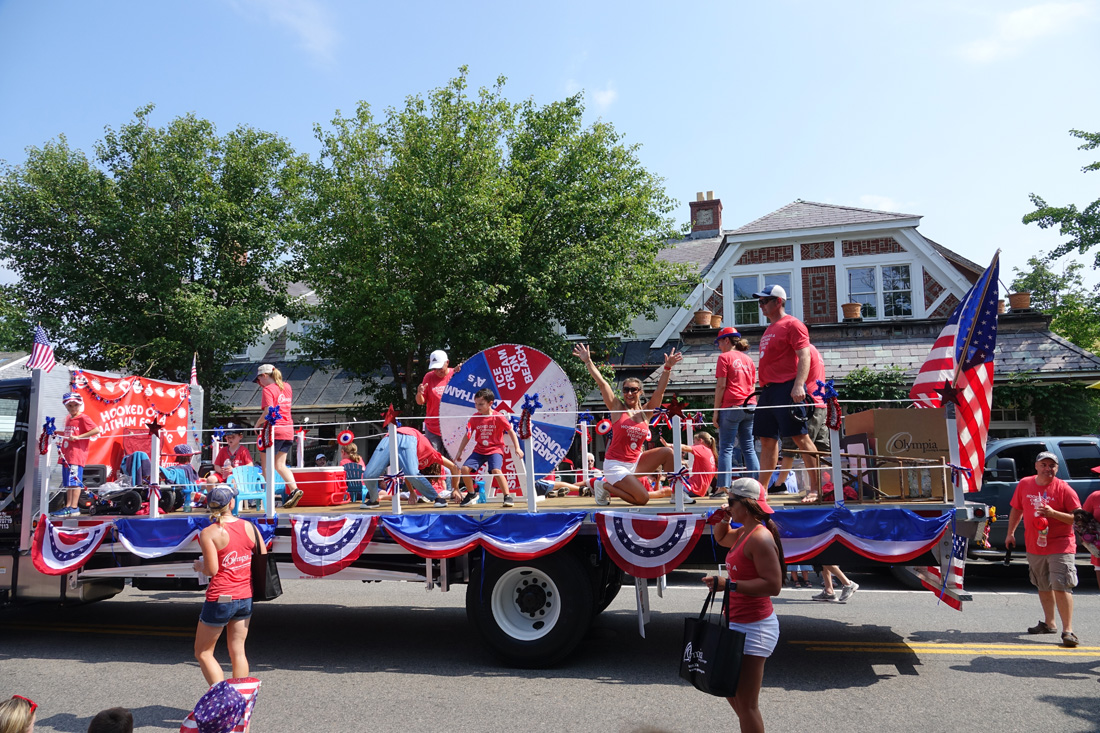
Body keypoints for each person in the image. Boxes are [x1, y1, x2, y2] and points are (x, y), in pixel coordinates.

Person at [703, 478, 783, 733]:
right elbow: (722, 538)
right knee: (730, 691)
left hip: (755, 627)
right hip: (737, 622)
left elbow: (773, 585)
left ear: (745, 506)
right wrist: (724, 517)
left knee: (747, 705)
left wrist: (730, 585)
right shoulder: (744, 531)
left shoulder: (759, 538)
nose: (728, 506)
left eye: (731, 503)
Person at [573, 343, 683, 506]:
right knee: (643, 499)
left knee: (668, 452)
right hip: (616, 466)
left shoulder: (646, 412)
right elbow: (603, 384)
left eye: (633, 390)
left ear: (640, 392)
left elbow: (659, 392)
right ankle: (603, 485)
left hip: (636, 463)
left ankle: (676, 493)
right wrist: (588, 362)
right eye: (625, 390)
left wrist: (667, 367)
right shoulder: (617, 408)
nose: (629, 393)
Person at [751, 285, 821, 503]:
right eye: (759, 302)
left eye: (764, 301)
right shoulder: (769, 328)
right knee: (767, 440)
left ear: (778, 302)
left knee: (801, 437)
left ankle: (815, 489)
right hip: (769, 390)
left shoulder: (793, 324)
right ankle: (762, 491)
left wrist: (799, 385)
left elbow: (805, 355)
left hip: (786, 388)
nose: (760, 305)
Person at [192, 486, 266, 686]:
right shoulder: (248, 526)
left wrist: (200, 566)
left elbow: (212, 570)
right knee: (238, 650)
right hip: (245, 595)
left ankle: (222, 702)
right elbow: (263, 553)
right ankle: (240, 703)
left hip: (221, 597)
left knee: (203, 652)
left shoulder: (209, 533)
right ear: (231, 503)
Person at [1006, 451, 1081, 647]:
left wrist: (1053, 513)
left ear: (1057, 468)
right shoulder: (1024, 484)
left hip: (1060, 543)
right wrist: (1010, 533)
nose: (1048, 469)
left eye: (1052, 466)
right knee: (1043, 585)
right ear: (1037, 466)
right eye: (1044, 465)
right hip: (1035, 544)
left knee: (1061, 585)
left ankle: (1068, 631)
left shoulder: (1064, 489)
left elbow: (1078, 518)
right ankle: (1049, 623)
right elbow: (1017, 509)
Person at [771, 344, 829, 495]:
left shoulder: (802, 351)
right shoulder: (815, 350)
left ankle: (783, 484)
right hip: (820, 402)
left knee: (795, 443)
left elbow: (792, 374)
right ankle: (826, 484)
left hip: (806, 404)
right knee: (818, 448)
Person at [455, 388, 524, 508]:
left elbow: (511, 431)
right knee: (465, 469)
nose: (478, 407)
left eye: (481, 404)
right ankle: (471, 494)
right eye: (476, 404)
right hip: (479, 450)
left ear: (490, 403)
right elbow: (468, 435)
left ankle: (507, 496)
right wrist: (460, 451)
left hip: (495, 449)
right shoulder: (475, 417)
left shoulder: (498, 416)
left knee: (496, 470)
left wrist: (517, 447)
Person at [362, 425, 459, 509]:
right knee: (368, 474)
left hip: (396, 436)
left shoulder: (416, 463)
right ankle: (374, 500)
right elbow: (454, 467)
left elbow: (407, 473)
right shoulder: (433, 455)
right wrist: (455, 489)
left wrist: (412, 492)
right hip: (403, 436)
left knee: (411, 473)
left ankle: (438, 498)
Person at [712, 327, 759, 494]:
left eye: (718, 342)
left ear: (726, 340)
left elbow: (721, 385)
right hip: (750, 405)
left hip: (731, 406)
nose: (718, 346)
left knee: (726, 447)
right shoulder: (749, 360)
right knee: (749, 447)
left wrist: (716, 411)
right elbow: (753, 385)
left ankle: (723, 486)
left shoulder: (724, 358)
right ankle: (755, 486)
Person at [252, 364, 303, 509]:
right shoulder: (287, 387)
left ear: (265, 376)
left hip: (274, 431)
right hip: (288, 430)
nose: (258, 384)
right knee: (280, 465)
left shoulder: (268, 389)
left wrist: (257, 424)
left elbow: (269, 411)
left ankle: (270, 496)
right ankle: (294, 489)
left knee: (266, 466)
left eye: (258, 380)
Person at [53, 392, 103, 517]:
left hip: (76, 455)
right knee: (68, 483)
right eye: (69, 406)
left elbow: (96, 430)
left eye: (75, 405)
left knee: (74, 481)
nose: (72, 408)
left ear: (79, 405)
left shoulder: (83, 418)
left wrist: (78, 437)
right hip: (67, 455)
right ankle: (68, 506)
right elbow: (68, 433)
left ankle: (74, 507)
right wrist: (57, 432)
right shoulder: (68, 419)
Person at [661, 432, 718, 503]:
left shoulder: (702, 448)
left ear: (700, 441)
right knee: (671, 488)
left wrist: (668, 445)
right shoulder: (711, 453)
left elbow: (685, 447)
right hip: (700, 489)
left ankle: (646, 495)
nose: (693, 445)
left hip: (695, 488)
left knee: (668, 490)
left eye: (694, 442)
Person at [416, 349, 454, 457]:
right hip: (433, 427)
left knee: (453, 461)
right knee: (434, 459)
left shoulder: (455, 374)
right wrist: (419, 394)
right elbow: (420, 402)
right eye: (435, 368)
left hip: (453, 428)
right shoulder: (428, 376)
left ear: (447, 362)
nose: (438, 371)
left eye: (440, 368)